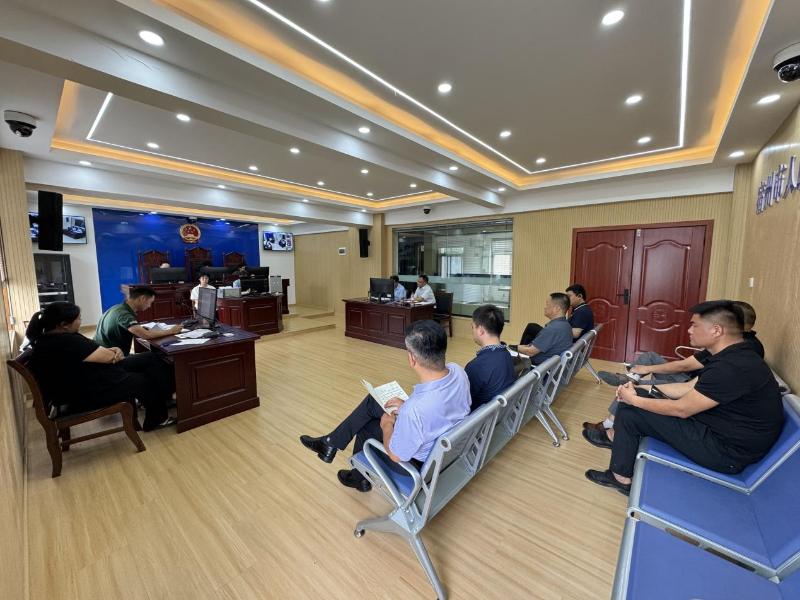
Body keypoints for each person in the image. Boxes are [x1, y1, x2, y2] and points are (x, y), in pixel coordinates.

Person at [584, 300, 782, 496]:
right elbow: (687, 387)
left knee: (632, 408)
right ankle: (620, 466)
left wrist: (633, 399)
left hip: (727, 453)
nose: (689, 330)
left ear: (716, 330)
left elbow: (682, 409)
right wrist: (641, 389)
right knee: (638, 400)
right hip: (719, 431)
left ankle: (619, 474)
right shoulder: (733, 355)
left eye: (695, 325)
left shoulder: (731, 367)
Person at [299, 320, 471, 492]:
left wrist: (387, 426)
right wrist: (405, 406)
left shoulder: (414, 411)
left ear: (412, 358)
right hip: (443, 445)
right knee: (373, 402)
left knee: (368, 428)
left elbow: (396, 455)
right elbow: (435, 408)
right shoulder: (458, 371)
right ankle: (331, 443)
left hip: (416, 466)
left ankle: (357, 476)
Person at [25, 302, 177, 431]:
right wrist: (112, 353)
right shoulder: (64, 342)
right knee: (143, 380)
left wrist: (113, 350)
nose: (81, 321)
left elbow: (96, 351)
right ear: (64, 324)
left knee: (148, 358)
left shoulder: (50, 338)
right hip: (83, 392)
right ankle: (157, 419)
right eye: (78, 318)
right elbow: (107, 357)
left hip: (84, 378)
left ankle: (168, 395)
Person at [94, 286, 182, 356]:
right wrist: (171, 331)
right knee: (153, 357)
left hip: (102, 351)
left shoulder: (118, 308)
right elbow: (146, 335)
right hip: (111, 358)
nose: (149, 306)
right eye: (150, 302)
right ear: (142, 298)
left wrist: (140, 329)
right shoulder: (124, 314)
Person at [464, 304, 515, 411]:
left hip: (479, 418)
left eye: (472, 327)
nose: (472, 330)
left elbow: (462, 402)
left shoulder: (476, 366)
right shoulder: (507, 354)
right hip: (500, 412)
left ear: (480, 330)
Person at [516, 293, 574, 366]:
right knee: (528, 337)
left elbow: (530, 352)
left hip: (537, 367)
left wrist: (515, 347)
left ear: (557, 308)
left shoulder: (552, 329)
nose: (545, 308)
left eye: (547, 305)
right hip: (552, 364)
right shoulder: (566, 325)